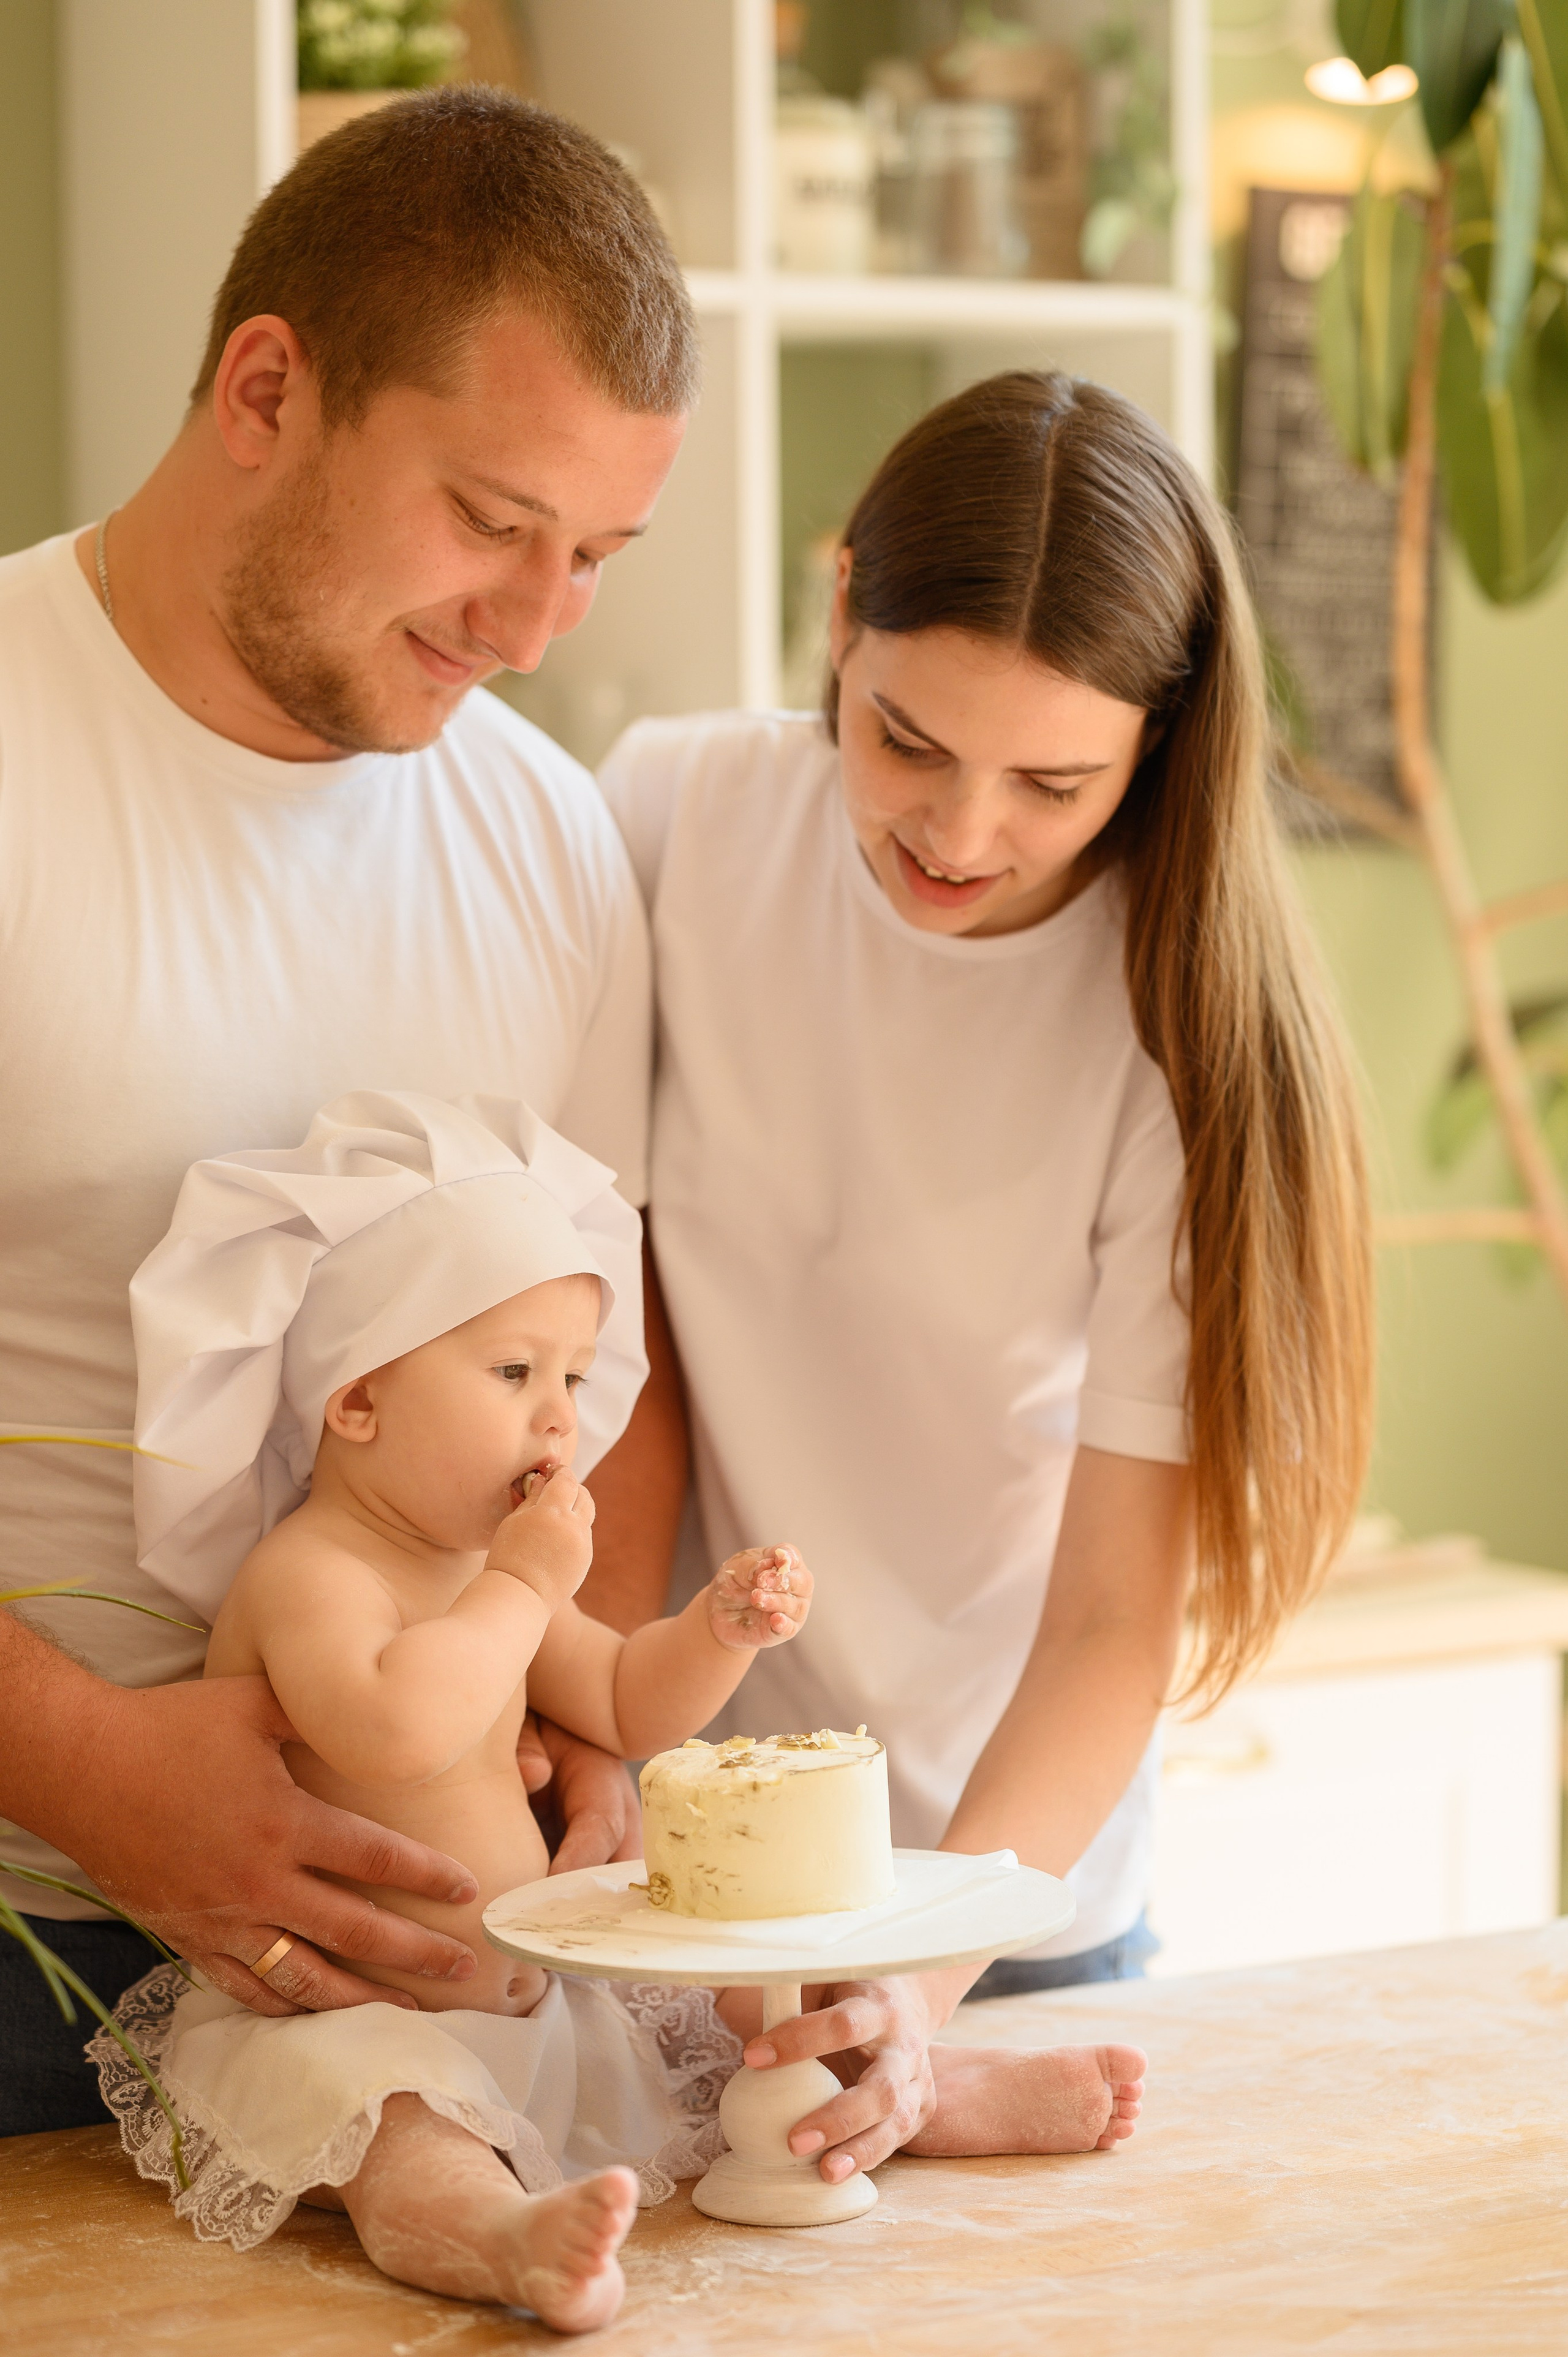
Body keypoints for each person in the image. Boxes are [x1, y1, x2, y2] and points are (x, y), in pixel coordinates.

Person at [0, 87, 697, 2136]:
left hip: (438, 1983)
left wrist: (597, 1726)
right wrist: (85, 1767)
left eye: (596, 556)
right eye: (490, 519)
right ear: (266, 390)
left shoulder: (548, 840)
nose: (535, 625)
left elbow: (610, 1363)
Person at [593, 370, 1374, 2192]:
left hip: (1001, 1893)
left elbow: (1110, 1623)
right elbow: (595, 1332)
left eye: (1052, 784)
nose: (956, 832)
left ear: (1156, 745)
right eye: (905, 741)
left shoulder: (1174, 1036)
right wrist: (593, 1730)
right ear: (840, 609)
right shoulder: (675, 817)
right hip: (685, 1852)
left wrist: (916, 1991)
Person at [91, 1092, 1143, 2332]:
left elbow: (624, 1702)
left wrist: (714, 1632)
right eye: (513, 1372)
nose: (560, 1416)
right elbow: (395, 1728)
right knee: (401, 2131)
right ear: (359, 1401)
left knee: (741, 2010)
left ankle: (911, 2088)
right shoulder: (311, 1575)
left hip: (545, 2006)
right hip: (354, 2018)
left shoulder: (485, 1574)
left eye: (575, 1378)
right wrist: (524, 1584)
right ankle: (491, 2234)